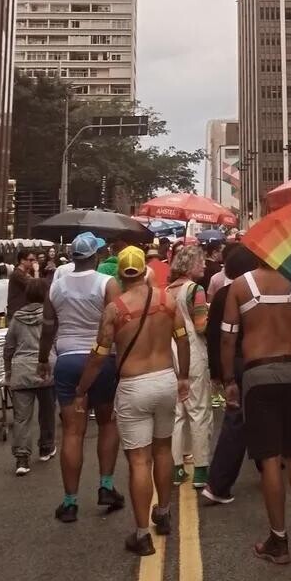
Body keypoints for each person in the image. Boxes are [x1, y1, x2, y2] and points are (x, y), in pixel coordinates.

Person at [73, 246, 190, 556]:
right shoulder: (168, 300)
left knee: (139, 460)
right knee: (164, 449)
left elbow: (99, 355)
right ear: (143, 271)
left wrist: (82, 389)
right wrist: (183, 377)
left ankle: (141, 535)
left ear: (120, 274)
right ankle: (163, 513)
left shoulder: (115, 309)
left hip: (133, 386)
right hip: (165, 379)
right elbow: (182, 337)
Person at [221, 250, 291, 565]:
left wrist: (228, 380)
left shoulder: (239, 285)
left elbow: (228, 340)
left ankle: (278, 539)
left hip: (257, 375)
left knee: (269, 458)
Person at [37, 232, 124, 523]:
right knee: (107, 423)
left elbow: (49, 326)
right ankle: (106, 486)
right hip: (101, 360)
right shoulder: (107, 283)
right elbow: (116, 324)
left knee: (73, 432)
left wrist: (41, 359)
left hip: (66, 360)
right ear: (96, 256)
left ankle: (70, 502)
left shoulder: (56, 287)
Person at [202, 246, 257, 505]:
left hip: (233, 363)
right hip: (250, 361)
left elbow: (215, 336)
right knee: (239, 420)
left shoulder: (225, 293)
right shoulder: (251, 292)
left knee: (241, 417)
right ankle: (218, 483)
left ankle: (263, 464)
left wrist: (220, 374)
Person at [167, 246, 211, 489]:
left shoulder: (165, 291)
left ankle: (176, 469)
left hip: (170, 352)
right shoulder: (196, 290)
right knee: (199, 410)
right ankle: (201, 470)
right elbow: (201, 326)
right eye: (200, 262)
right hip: (193, 352)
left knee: (177, 413)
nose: (204, 266)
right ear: (190, 264)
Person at [4, 278, 57, 476]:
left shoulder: (16, 318)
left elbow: (9, 347)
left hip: (21, 370)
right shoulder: (49, 315)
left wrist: (8, 370)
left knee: (21, 418)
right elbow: (56, 339)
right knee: (47, 412)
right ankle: (46, 446)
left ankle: (22, 458)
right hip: (46, 368)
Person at [7, 249, 37, 321]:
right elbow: (36, 287)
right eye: (30, 260)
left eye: (34, 260)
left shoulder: (24, 274)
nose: (33, 263)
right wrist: (36, 271)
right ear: (22, 261)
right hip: (18, 313)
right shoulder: (17, 274)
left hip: (23, 312)